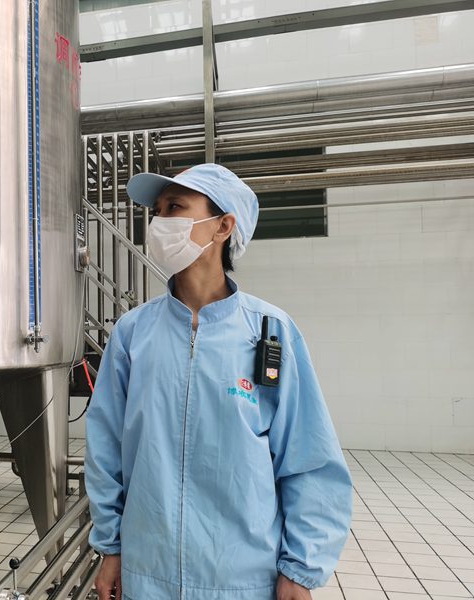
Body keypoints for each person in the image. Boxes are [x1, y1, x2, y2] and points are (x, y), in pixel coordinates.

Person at [85, 164, 353, 600]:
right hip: (148, 575)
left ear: (224, 226)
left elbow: (309, 459)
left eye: (175, 207)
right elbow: (105, 448)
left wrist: (300, 569)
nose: (159, 223)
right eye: (157, 211)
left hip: (241, 580)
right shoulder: (133, 334)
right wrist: (111, 547)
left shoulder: (270, 332)